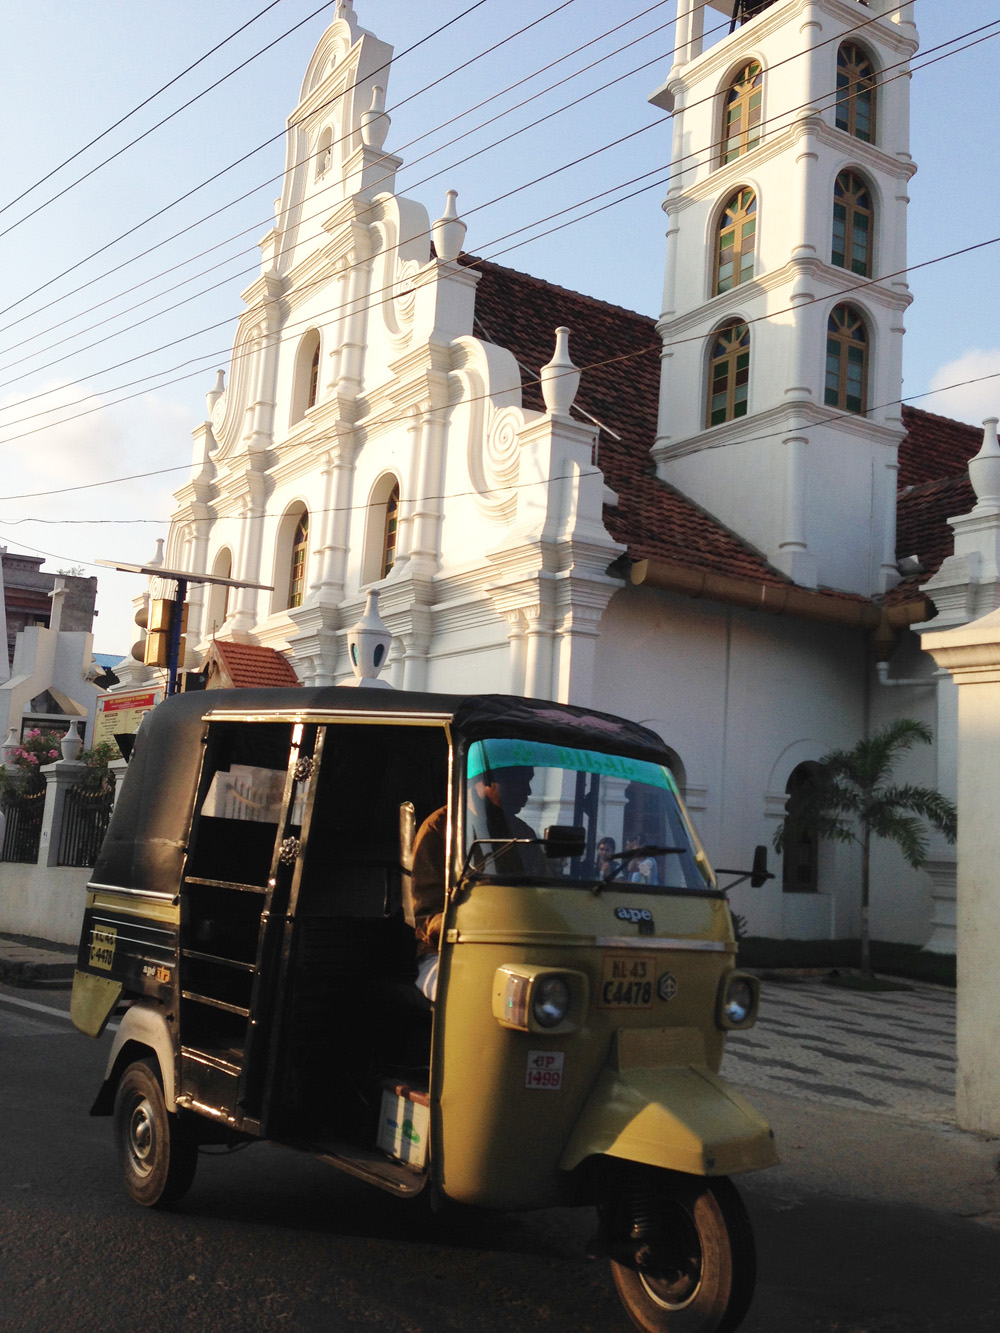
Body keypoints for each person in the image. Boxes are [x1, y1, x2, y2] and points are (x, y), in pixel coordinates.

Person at [411, 764, 543, 1001]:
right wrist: (480, 926)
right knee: (466, 995)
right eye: (519, 782)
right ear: (485, 783)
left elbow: (543, 896)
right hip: (444, 953)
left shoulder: (524, 834)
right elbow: (425, 914)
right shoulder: (440, 828)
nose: (528, 791)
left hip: (514, 951)